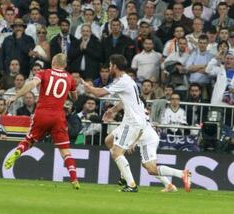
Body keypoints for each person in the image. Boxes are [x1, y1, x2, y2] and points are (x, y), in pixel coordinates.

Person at [82, 54, 191, 192]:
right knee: (110, 141)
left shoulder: (122, 81)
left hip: (134, 123)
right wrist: (114, 110)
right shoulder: (127, 80)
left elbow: (99, 93)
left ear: (115, 66)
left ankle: (131, 184)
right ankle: (179, 176)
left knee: (117, 153)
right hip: (136, 123)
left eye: (110, 65)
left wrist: (87, 86)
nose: (109, 68)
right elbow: (127, 99)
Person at [5, 53, 80, 190]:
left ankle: (19, 151)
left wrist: (16, 96)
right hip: (59, 116)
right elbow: (75, 97)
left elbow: (31, 84)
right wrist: (70, 93)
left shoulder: (44, 73)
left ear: (53, 62)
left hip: (42, 113)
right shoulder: (69, 77)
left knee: (29, 140)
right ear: (65, 65)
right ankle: (74, 179)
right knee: (65, 150)